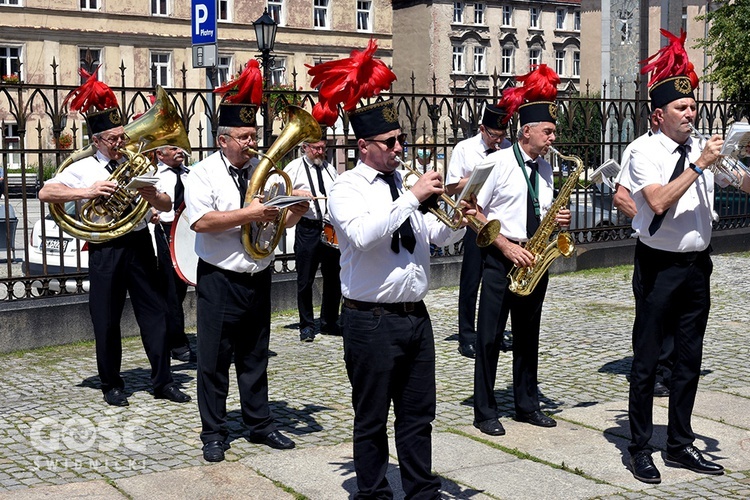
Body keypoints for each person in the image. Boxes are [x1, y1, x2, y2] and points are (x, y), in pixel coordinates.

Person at [310, 42, 469, 498]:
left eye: (401, 140)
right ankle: (374, 492)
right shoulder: (347, 187)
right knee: (372, 416)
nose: (401, 149)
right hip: (370, 318)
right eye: (391, 143)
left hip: (414, 316)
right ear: (364, 147)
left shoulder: (403, 184)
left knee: (420, 414)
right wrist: (413, 198)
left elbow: (433, 240)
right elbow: (361, 235)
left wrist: (459, 220)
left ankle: (422, 490)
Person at [626, 29, 743, 484]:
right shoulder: (644, 151)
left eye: (693, 106)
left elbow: (744, 184)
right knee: (648, 360)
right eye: (682, 108)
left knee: (689, 359)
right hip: (659, 266)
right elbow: (657, 202)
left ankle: (678, 442)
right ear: (659, 115)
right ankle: (638, 447)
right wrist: (699, 166)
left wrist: (737, 154)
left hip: (698, 265)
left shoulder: (702, 150)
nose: (691, 113)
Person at [38, 69, 190, 407]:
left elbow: (167, 203)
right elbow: (46, 192)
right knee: (106, 319)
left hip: (138, 244)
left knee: (156, 313)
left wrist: (152, 199)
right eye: (113, 139)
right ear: (96, 141)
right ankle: (112, 383)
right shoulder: (82, 167)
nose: (121, 143)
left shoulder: (136, 162)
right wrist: (88, 190)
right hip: (105, 247)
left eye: (122, 136)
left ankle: (163, 380)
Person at [185, 60, 309, 463]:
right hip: (220, 279)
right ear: (222, 140)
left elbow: (278, 226)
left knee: (256, 355)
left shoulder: (264, 170)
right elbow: (202, 222)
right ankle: (214, 431)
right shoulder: (202, 174)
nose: (252, 143)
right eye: (243, 137)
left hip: (258, 275)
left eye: (254, 135)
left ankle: (259, 424)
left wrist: (296, 209)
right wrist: (249, 214)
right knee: (214, 359)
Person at [473, 65, 571, 437]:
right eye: (547, 132)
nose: (552, 138)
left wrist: (557, 218)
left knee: (529, 334)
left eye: (553, 132)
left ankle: (526, 403)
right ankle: (484, 410)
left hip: (535, 257)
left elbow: (540, 209)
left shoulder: (546, 168)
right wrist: (504, 245)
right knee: (490, 336)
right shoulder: (495, 163)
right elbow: (470, 212)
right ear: (526, 131)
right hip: (502, 257)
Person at [613, 113, 674, 399]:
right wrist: (649, 223)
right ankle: (652, 372)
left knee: (677, 317)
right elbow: (621, 196)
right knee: (651, 316)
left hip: (683, 250)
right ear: (656, 117)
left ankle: (670, 369)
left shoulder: (692, 147)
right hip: (653, 247)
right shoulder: (639, 149)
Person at [445, 105, 512, 359]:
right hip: (474, 220)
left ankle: (495, 331)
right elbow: (451, 186)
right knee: (471, 280)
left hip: (498, 221)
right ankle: (467, 335)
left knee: (499, 280)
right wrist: (480, 175)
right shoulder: (465, 148)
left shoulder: (506, 148)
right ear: (482, 129)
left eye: (502, 136)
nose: (499, 140)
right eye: (494, 135)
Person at [284, 136, 341, 342]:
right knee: (305, 279)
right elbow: (279, 188)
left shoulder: (329, 168)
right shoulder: (294, 167)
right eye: (316, 148)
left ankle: (329, 321)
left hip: (328, 227)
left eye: (323, 148)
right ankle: (306, 325)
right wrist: (296, 193)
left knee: (333, 277)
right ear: (305, 148)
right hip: (307, 227)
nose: (320, 152)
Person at [151, 145, 195, 362]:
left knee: (193, 284)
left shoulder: (191, 174)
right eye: (173, 148)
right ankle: (176, 343)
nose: (180, 151)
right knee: (172, 290)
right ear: (160, 154)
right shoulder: (154, 176)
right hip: (166, 232)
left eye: (180, 147)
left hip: (192, 232)